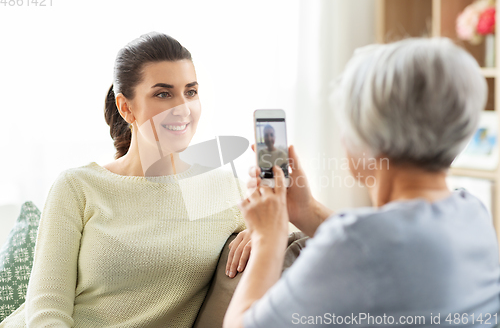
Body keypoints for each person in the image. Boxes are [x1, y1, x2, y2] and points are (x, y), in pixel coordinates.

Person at [223, 37, 500, 327]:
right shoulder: (473, 213)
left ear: (368, 140)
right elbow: (389, 247)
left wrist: (269, 237)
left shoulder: (353, 244)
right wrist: (308, 210)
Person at [0, 32, 252, 328]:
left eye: (191, 92)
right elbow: (47, 311)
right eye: (163, 93)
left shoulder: (226, 189)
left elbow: (302, 247)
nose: (183, 108)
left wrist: (265, 235)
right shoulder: (77, 187)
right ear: (126, 107)